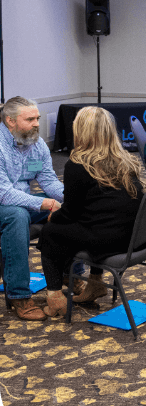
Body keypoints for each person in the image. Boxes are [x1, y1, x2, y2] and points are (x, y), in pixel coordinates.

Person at [36, 107, 146, 316]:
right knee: (92, 221)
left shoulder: (79, 164)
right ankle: (95, 282)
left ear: (81, 131)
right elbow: (98, 208)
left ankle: (55, 298)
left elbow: (70, 213)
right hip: (135, 235)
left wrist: (55, 215)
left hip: (109, 240)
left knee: (50, 232)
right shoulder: (125, 159)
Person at [0, 97, 64, 320]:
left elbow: (47, 180)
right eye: (30, 119)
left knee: (65, 209)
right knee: (17, 215)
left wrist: (72, 197)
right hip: (4, 204)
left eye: (37, 118)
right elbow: (4, 193)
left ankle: (67, 275)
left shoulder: (35, 144)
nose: (37, 123)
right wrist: (44, 203)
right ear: (10, 121)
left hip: (21, 201)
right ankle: (19, 296)